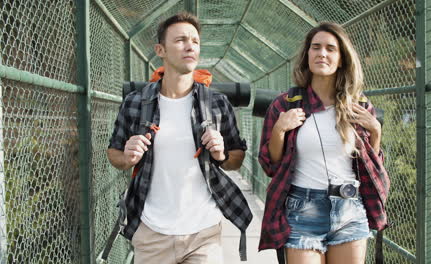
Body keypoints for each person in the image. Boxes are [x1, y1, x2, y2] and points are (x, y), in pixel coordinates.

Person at [107, 12, 251, 264]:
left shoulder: (216, 103)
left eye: (195, 41)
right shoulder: (136, 103)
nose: (190, 46)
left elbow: (236, 159)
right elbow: (114, 154)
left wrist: (222, 154)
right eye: (181, 40)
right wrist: (128, 156)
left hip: (203, 232)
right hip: (151, 231)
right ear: (160, 50)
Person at [257, 22, 390, 264]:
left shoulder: (359, 106)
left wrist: (376, 133)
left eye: (331, 48)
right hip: (302, 209)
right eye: (315, 47)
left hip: (350, 208)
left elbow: (372, 167)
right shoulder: (285, 104)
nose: (322, 53)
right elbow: (270, 165)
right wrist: (279, 129)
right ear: (307, 55)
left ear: (341, 59)